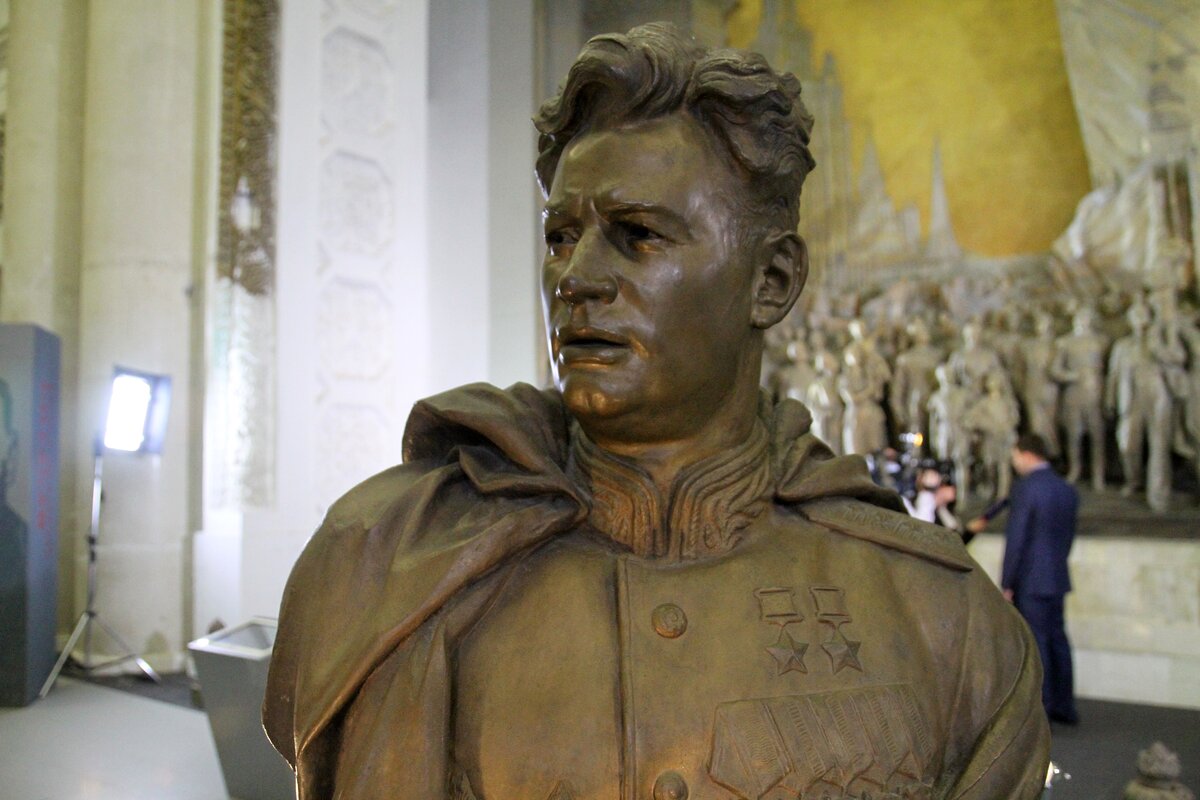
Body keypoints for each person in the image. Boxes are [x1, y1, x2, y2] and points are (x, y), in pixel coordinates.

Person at [264, 23, 1048, 800]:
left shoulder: (941, 616)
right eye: (561, 236)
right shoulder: (381, 561)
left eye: (637, 234)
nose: (576, 277)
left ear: (771, 281)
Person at [968, 433, 1080, 725]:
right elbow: (1067, 538)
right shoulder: (1066, 489)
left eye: (1015, 456)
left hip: (1030, 579)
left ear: (1027, 454)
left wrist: (1007, 583)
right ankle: (1064, 705)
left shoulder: (1026, 489)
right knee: (1058, 639)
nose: (1014, 462)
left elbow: (1017, 540)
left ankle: (1041, 709)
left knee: (1035, 643)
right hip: (1056, 576)